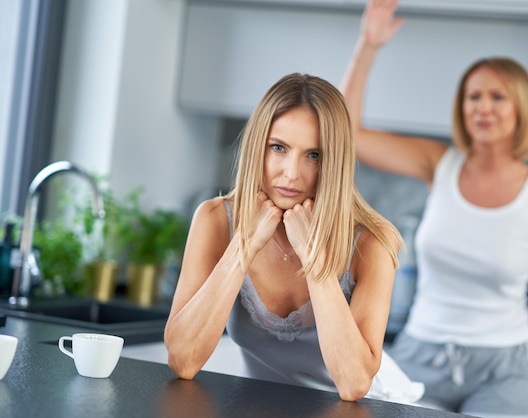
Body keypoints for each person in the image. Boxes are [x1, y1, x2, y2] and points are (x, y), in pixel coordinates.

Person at [340, 0, 528, 416]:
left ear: (520, 108)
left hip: (503, 369)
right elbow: (347, 133)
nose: (483, 106)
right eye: (474, 96)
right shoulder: (440, 163)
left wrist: (514, 333)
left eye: (497, 96)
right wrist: (367, 46)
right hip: (421, 352)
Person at [164, 73, 423, 403]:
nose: (291, 173)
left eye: (313, 155)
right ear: (258, 145)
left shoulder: (371, 242)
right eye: (278, 148)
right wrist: (243, 246)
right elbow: (183, 361)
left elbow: (354, 383)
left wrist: (313, 257)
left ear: (335, 161)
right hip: (264, 408)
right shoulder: (215, 220)